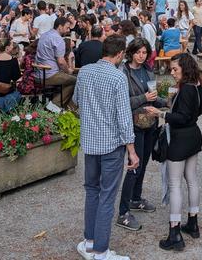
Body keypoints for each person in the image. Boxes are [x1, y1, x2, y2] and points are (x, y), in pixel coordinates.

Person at [75, 35, 138, 260]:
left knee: (92, 191)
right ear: (120, 54)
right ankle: (101, 251)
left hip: (91, 142)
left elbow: (77, 100)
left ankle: (90, 241)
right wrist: (131, 149)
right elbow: (123, 117)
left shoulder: (84, 72)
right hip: (111, 144)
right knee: (107, 196)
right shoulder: (117, 77)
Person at [159, 53, 202, 250]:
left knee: (174, 184)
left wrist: (162, 113)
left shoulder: (187, 89)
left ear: (185, 69)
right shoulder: (197, 85)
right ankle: (193, 222)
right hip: (193, 136)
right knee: (192, 179)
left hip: (181, 138)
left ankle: (174, 233)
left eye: (175, 69)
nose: (172, 73)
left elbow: (182, 117)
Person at [116, 38, 164, 232]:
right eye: (138, 52)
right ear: (131, 53)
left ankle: (136, 199)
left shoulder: (148, 70)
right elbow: (121, 102)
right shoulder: (123, 73)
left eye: (144, 52)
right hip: (133, 125)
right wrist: (143, 98)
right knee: (133, 166)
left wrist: (169, 99)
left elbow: (155, 96)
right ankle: (123, 212)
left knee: (142, 164)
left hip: (149, 122)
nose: (141, 56)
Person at [37, 16, 76, 107]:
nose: (68, 30)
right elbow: (61, 62)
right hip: (49, 75)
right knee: (76, 80)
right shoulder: (58, 39)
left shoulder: (44, 35)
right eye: (67, 27)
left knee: (68, 79)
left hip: (39, 73)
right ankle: (54, 106)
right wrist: (68, 71)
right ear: (60, 26)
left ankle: (58, 105)